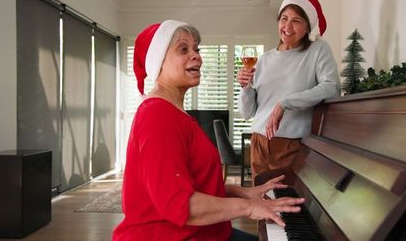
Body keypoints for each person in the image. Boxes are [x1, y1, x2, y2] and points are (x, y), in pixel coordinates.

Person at [112, 20, 305, 241]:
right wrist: (249, 207)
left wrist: (247, 192)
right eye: (183, 49)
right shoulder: (157, 115)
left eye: (197, 49)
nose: (197, 56)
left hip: (209, 233)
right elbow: (180, 204)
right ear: (159, 63)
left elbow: (198, 183)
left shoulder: (174, 113)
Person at [237, 0, 341, 178]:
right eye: (284, 18)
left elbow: (332, 87)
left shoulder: (317, 50)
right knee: (260, 202)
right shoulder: (264, 59)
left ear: (307, 27)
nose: (288, 26)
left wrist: (285, 103)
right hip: (259, 142)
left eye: (296, 21)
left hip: (290, 145)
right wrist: (245, 88)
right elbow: (247, 113)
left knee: (286, 202)